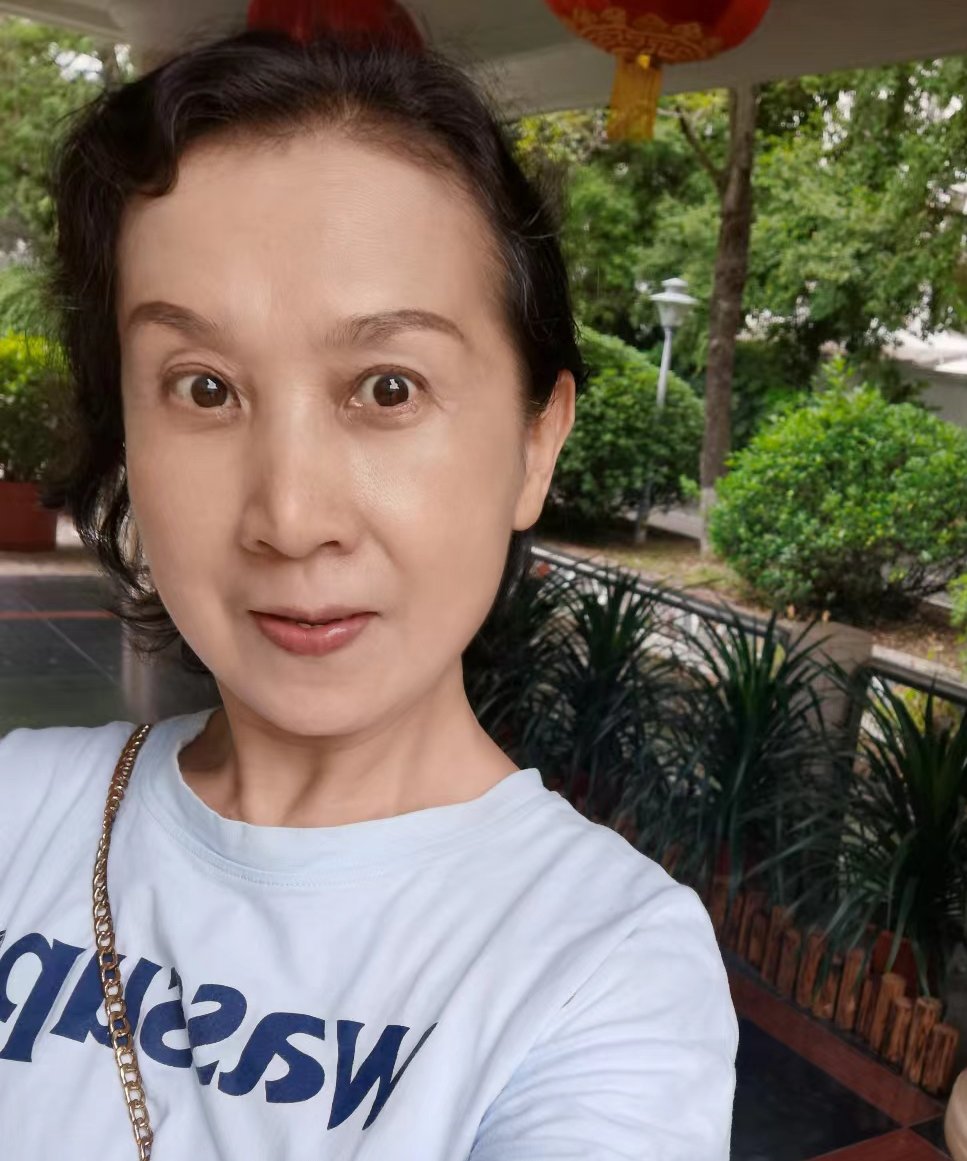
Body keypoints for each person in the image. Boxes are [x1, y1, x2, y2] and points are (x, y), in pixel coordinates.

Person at [0, 25, 738, 1160]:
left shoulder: (605, 968)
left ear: (535, 444)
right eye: (204, 388)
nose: (292, 517)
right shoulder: (18, 811)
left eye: (387, 387)